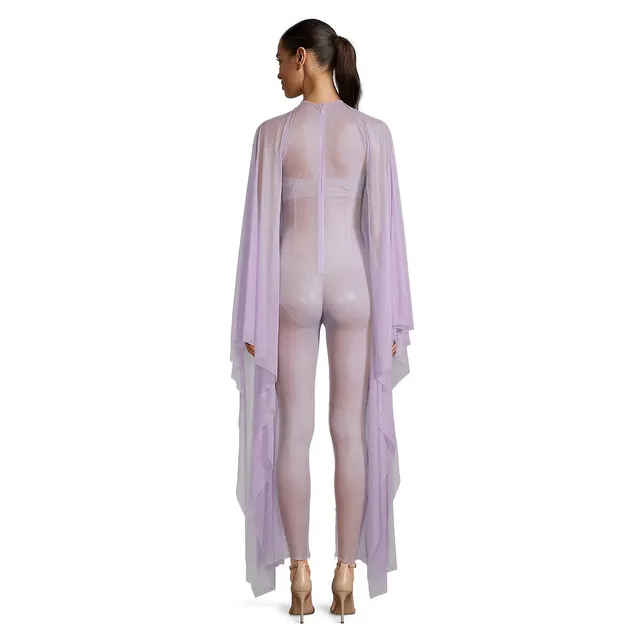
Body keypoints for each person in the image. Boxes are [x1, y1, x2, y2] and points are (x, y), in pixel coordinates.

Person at [230, 18, 414, 623]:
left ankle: (300, 575)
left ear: (304, 57)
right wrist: (392, 316)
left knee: (293, 431)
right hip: (356, 285)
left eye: (281, 60)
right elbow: (385, 233)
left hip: (291, 287)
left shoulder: (272, 135)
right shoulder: (372, 134)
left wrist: (252, 315)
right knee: (350, 432)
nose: (278, 72)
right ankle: (346, 576)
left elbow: (260, 233)